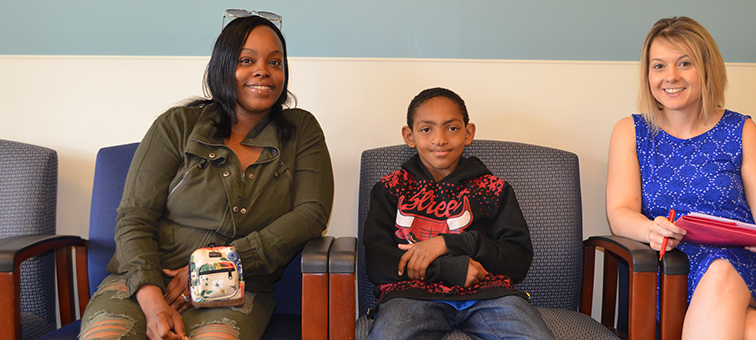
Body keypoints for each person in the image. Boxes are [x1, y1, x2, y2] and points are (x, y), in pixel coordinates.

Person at [78, 14, 334, 340]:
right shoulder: (178, 125)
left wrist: (212, 266)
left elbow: (310, 214)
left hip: (236, 286)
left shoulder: (301, 130)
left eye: (275, 62)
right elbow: (134, 217)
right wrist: (154, 301)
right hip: (146, 281)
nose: (263, 71)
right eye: (246, 60)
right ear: (222, 68)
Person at [606, 16, 756, 339]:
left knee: (723, 267)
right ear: (647, 74)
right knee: (755, 333)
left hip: (750, 271)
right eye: (658, 66)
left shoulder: (742, 130)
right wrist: (649, 229)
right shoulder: (631, 132)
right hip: (674, 275)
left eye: (684, 63)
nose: (670, 76)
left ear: (707, 69)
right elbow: (619, 212)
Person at [362, 87, 555, 339]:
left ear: (468, 133)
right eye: (426, 129)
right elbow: (378, 263)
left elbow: (518, 261)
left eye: (451, 128)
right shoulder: (390, 188)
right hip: (411, 297)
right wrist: (449, 269)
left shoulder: (494, 189)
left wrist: (452, 242)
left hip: (490, 296)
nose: (439, 139)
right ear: (410, 136)